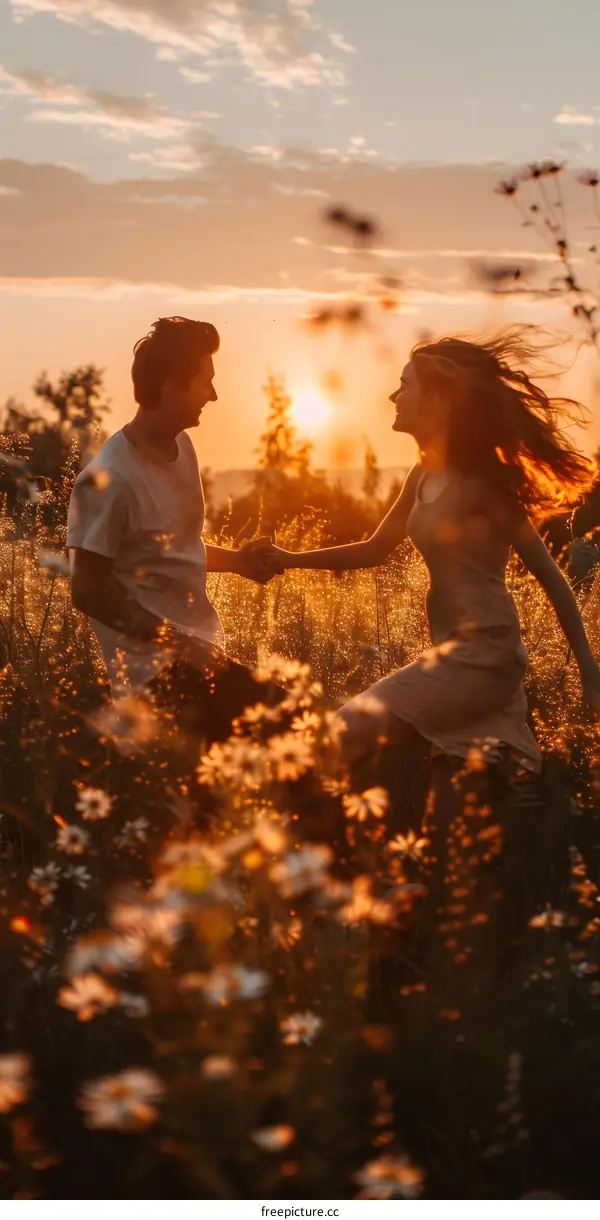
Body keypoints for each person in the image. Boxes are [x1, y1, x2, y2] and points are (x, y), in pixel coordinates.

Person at [260, 328, 600, 778]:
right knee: (455, 817)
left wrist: (589, 670)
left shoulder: (481, 483)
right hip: (452, 654)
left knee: (343, 733)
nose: (392, 395)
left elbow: (550, 575)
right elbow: (374, 550)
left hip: (484, 654)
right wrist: (288, 558)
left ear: (439, 400)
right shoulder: (423, 475)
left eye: (405, 385)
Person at [67, 316, 282, 748]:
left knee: (253, 772)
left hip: (197, 657)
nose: (214, 395)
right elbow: (87, 591)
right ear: (170, 388)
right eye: (206, 383)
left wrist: (239, 562)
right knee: (286, 724)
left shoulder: (182, 447)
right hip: (153, 679)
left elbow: (171, 550)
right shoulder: (108, 480)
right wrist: (180, 643)